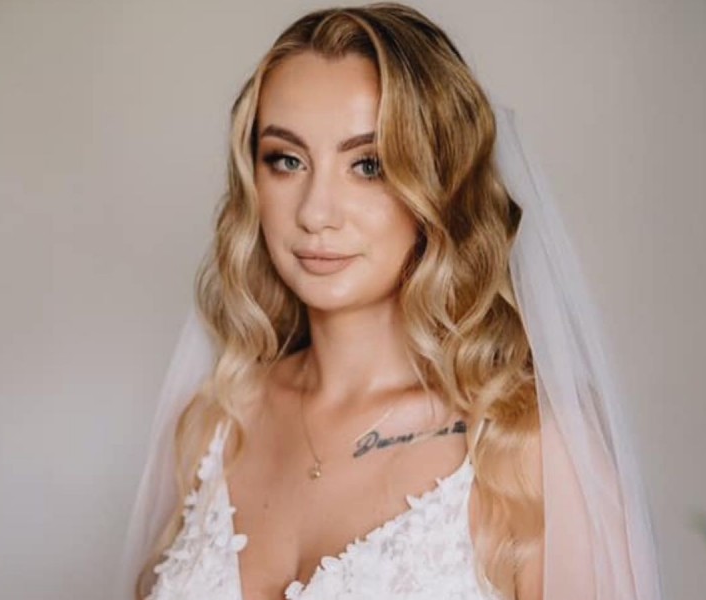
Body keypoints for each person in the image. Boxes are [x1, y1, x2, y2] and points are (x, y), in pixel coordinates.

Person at [118, 3, 663, 599]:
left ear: (440, 183)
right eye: (287, 161)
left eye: (369, 165)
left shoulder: (527, 451)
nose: (315, 213)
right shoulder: (219, 420)